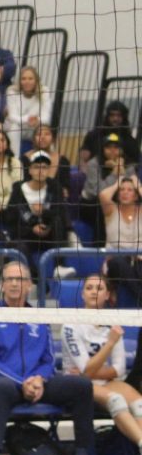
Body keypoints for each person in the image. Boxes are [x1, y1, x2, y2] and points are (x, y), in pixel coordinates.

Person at [0, 262, 95, 455]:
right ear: (2, 285)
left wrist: (38, 379)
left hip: (37, 384)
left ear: (29, 285)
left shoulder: (39, 317)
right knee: (1, 387)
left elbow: (48, 360)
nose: (14, 284)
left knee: (82, 386)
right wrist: (23, 383)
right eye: (9, 279)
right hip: (4, 384)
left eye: (19, 280)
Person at [61, 274, 142, 455]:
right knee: (116, 400)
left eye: (99, 288)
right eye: (89, 288)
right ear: (82, 294)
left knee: (139, 403)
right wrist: (111, 342)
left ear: (108, 295)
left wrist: (92, 372)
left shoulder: (112, 323)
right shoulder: (71, 325)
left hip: (99, 381)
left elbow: (119, 368)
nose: (93, 292)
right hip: (77, 386)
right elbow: (85, 370)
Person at [4, 150, 68, 278]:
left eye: (44, 167)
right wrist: (31, 229)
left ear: (49, 170)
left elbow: (60, 213)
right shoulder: (18, 189)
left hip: (49, 235)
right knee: (17, 245)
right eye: (36, 167)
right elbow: (10, 219)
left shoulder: (55, 186)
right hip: (26, 236)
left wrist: (44, 213)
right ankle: (36, 278)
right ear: (30, 170)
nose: (40, 171)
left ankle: (59, 267)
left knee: (58, 222)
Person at [80, 134, 137, 246]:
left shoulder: (128, 165)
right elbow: (97, 192)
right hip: (91, 205)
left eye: (116, 148)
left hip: (119, 203)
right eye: (108, 147)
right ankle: (98, 247)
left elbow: (132, 188)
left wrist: (122, 171)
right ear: (102, 149)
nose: (112, 151)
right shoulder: (94, 164)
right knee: (102, 206)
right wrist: (114, 173)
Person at [101, 174, 142, 310]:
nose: (125, 192)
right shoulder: (111, 210)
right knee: (119, 261)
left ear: (136, 195)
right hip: (115, 262)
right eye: (122, 190)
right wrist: (116, 184)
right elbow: (103, 195)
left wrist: (138, 186)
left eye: (130, 190)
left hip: (139, 261)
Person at [3, 66, 52, 155]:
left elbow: (46, 117)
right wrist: (28, 119)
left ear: (36, 80)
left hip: (35, 126)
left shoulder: (44, 91)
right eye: (24, 79)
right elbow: (12, 116)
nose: (27, 82)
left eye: (30, 79)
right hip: (16, 126)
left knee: (45, 131)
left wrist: (38, 120)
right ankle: (15, 161)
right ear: (20, 81)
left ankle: (48, 160)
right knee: (14, 127)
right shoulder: (12, 91)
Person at [80, 100, 141, 166]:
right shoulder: (93, 136)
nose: (115, 119)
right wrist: (85, 174)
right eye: (112, 115)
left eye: (119, 115)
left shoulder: (130, 141)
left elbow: (135, 165)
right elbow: (83, 160)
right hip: (96, 172)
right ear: (107, 116)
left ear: (124, 118)